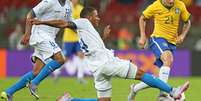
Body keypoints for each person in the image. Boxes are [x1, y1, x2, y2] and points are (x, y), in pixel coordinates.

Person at [30, 7, 190, 101]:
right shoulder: (83, 22)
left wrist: (103, 38)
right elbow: (64, 23)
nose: (98, 18)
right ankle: (172, 92)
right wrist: (42, 21)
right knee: (141, 74)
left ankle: (70, 100)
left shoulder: (86, 30)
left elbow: (93, 45)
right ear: (88, 17)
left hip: (97, 69)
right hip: (107, 63)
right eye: (96, 15)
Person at [0, 0, 73, 100]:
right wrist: (27, 33)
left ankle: (8, 92)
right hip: (40, 34)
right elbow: (31, 14)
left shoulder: (69, 5)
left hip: (50, 37)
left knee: (36, 71)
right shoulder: (49, 2)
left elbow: (69, 23)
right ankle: (34, 84)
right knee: (60, 59)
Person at [128, 0, 191, 100]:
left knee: (157, 78)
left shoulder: (180, 5)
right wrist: (143, 36)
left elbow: (187, 22)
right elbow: (142, 18)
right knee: (168, 58)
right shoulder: (156, 5)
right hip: (157, 39)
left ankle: (134, 89)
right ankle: (163, 95)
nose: (171, 1)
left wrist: (182, 35)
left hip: (171, 43)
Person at [53, 0, 87, 84]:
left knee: (81, 55)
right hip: (68, 38)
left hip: (78, 37)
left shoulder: (81, 8)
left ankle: (80, 77)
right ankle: (56, 72)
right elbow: (65, 22)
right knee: (65, 58)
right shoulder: (67, 7)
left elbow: (83, 21)